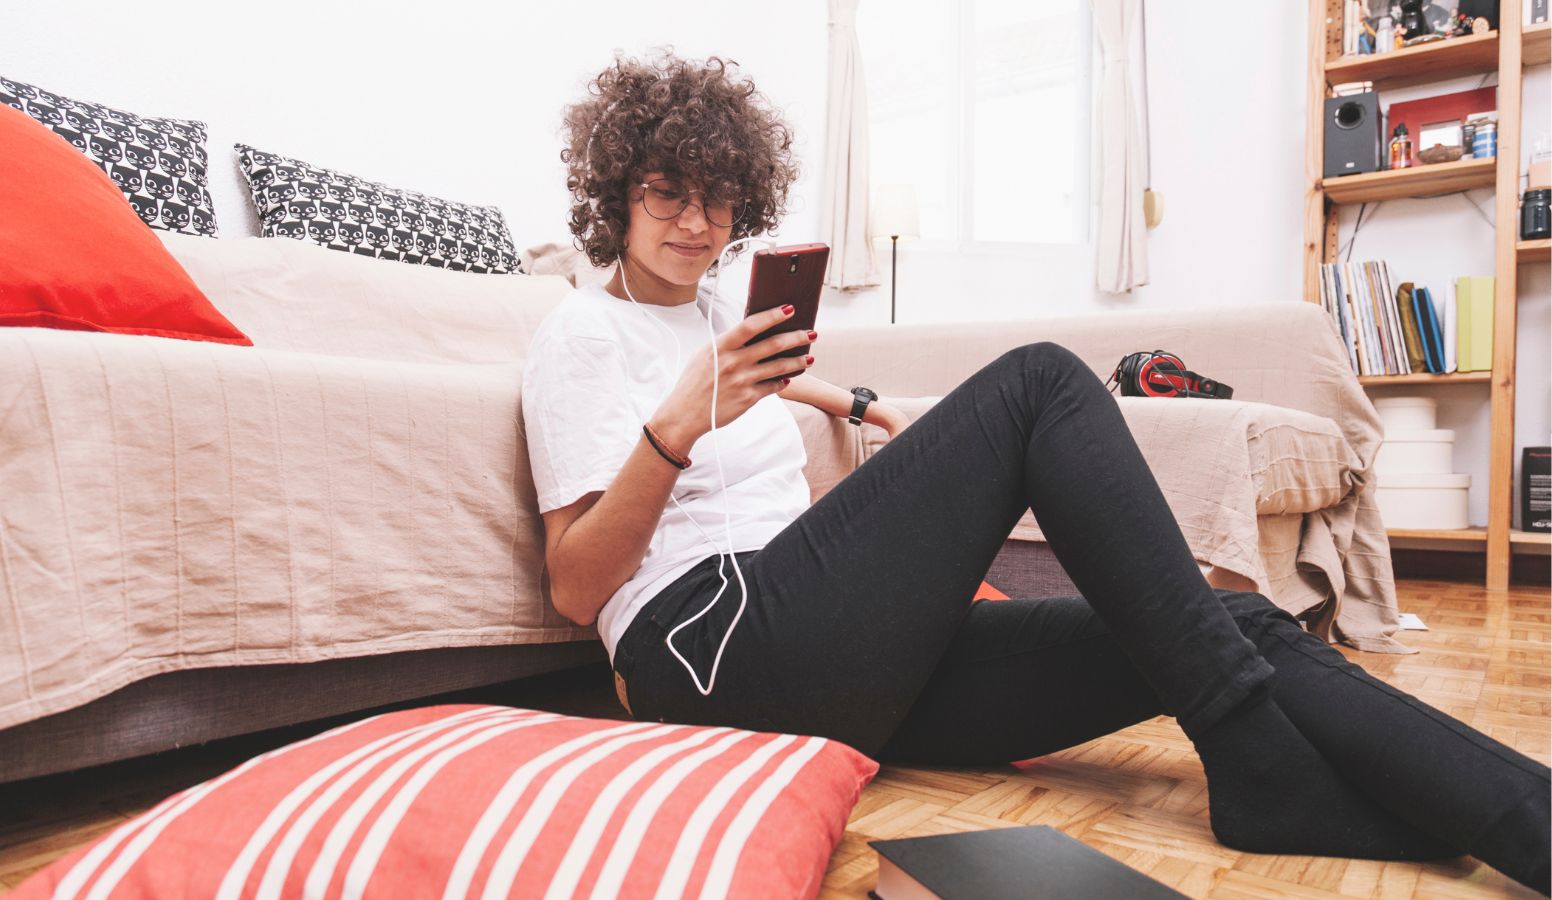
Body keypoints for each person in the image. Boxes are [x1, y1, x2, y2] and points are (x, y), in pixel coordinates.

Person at [520, 51, 1550, 893]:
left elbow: (772, 389)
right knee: (1039, 386)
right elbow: (575, 585)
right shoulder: (579, 337)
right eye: (666, 195)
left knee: (1229, 622)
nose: (694, 224)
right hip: (705, 653)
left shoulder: (717, 321)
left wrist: (857, 406)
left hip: (828, 667)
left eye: (716, 199)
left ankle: (1526, 819)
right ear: (616, 192)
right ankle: (1252, 751)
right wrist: (673, 429)